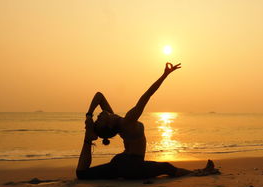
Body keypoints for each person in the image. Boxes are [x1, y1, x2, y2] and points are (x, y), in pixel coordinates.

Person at [76, 63, 219, 180]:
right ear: (108, 125)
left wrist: (89, 115)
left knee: (83, 174)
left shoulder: (118, 123)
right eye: (99, 119)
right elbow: (147, 95)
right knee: (167, 168)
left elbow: (99, 96)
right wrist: (164, 75)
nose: (99, 115)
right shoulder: (127, 122)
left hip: (121, 163)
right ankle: (199, 173)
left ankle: (87, 140)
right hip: (132, 165)